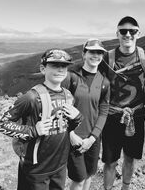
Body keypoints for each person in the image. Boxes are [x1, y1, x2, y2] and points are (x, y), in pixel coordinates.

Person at [0, 49, 82, 190]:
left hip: (59, 166)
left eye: (64, 66)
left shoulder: (68, 96)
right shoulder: (31, 98)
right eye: (54, 65)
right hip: (35, 170)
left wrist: (77, 119)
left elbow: (66, 128)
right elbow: (1, 124)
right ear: (43, 69)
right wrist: (33, 130)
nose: (60, 69)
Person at [100, 16, 145, 190]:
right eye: (123, 31)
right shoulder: (106, 58)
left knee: (130, 158)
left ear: (138, 34)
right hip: (112, 117)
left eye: (132, 31)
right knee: (110, 161)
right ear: (117, 33)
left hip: (136, 115)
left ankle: (125, 187)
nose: (127, 34)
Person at [62, 39, 110, 190]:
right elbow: (59, 108)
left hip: (92, 139)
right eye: (92, 52)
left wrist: (92, 138)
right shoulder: (71, 78)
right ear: (84, 54)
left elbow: (103, 112)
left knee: (89, 174)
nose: (96, 56)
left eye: (99, 53)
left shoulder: (104, 82)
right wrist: (70, 135)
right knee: (79, 179)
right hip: (73, 138)